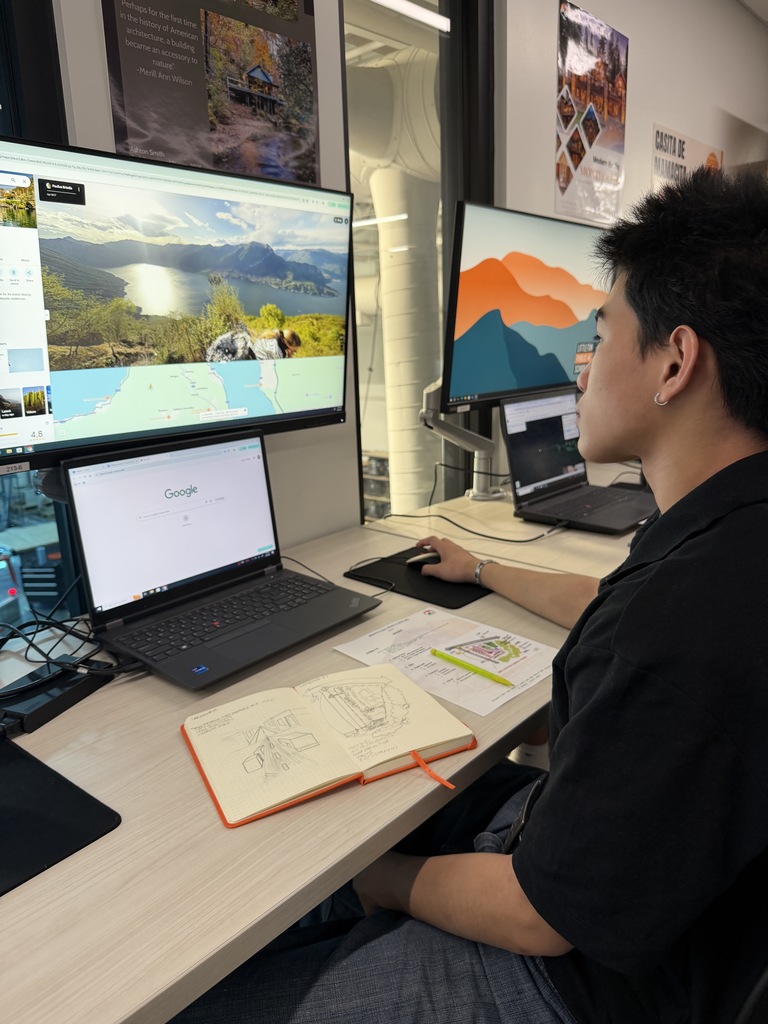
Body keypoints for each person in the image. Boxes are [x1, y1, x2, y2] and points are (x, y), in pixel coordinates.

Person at [172, 168, 768, 1024]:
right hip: (648, 895)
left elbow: (537, 918)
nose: (584, 363)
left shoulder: (686, 624)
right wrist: (484, 570)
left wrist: (377, 882)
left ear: (676, 361)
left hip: (579, 979)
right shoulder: (723, 535)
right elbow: (611, 605)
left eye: (601, 333)